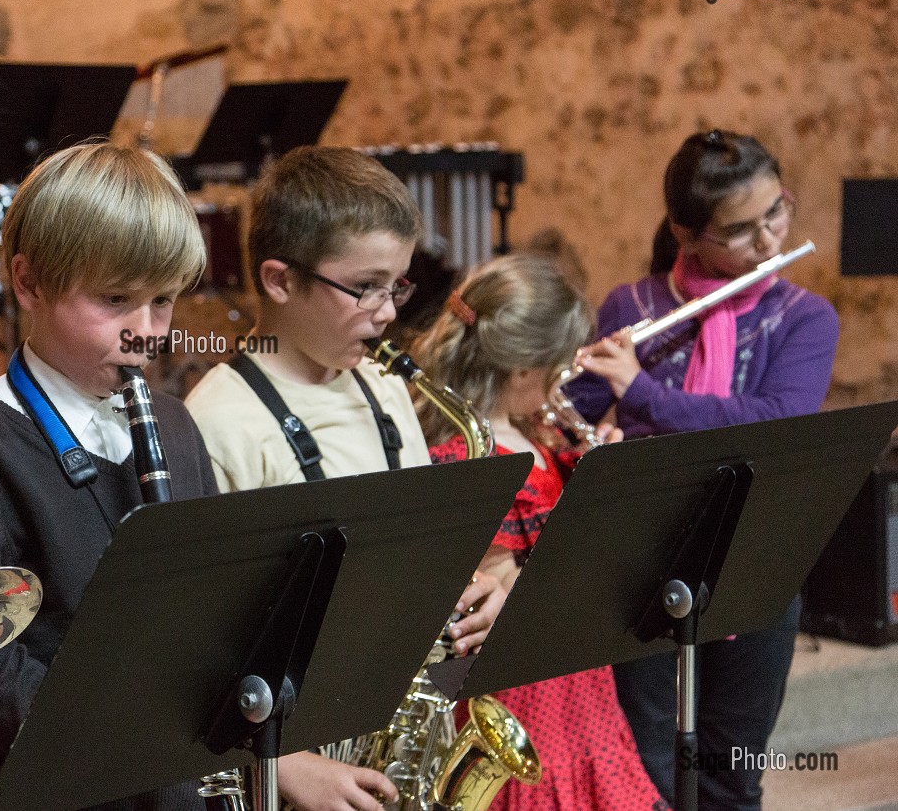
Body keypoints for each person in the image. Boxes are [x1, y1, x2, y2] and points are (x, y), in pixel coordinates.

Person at [184, 146, 507, 811]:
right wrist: (283, 763)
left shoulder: (388, 389)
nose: (389, 312)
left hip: (394, 727)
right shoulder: (218, 420)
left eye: (399, 286)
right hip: (292, 758)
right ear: (279, 280)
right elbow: (194, 648)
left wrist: (485, 587)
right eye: (366, 287)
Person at [0, 141, 217, 811]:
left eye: (163, 303)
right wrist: (117, 736)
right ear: (29, 282)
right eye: (116, 299)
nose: (144, 332)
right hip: (55, 785)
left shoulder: (174, 423)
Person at [568, 128, 839, 811]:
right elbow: (580, 413)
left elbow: (774, 421)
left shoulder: (806, 317)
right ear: (686, 235)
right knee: (647, 762)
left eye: (777, 211)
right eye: (741, 230)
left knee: (731, 767)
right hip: (641, 556)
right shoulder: (630, 309)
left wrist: (647, 396)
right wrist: (580, 414)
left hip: (756, 554)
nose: (771, 241)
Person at [412, 253, 667, 811]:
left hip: (576, 686)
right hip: (527, 697)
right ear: (524, 370)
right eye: (558, 369)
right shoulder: (469, 455)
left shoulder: (532, 434)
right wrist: (595, 518)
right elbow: (501, 599)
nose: (563, 383)